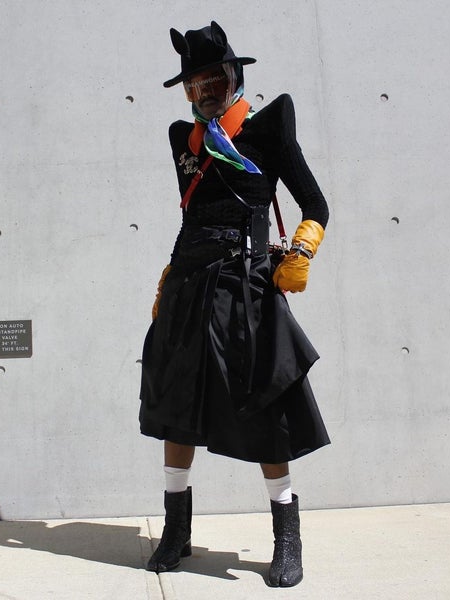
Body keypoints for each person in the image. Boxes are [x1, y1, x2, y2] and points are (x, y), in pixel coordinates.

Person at [139, 21, 330, 588]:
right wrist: (169, 275)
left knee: (266, 406)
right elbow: (191, 216)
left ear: (234, 77)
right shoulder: (186, 142)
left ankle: (287, 538)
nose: (204, 94)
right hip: (188, 284)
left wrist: (302, 249)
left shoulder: (266, 130)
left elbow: (315, 203)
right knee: (176, 405)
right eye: (193, 85)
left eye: (213, 82)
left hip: (244, 284)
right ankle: (176, 531)